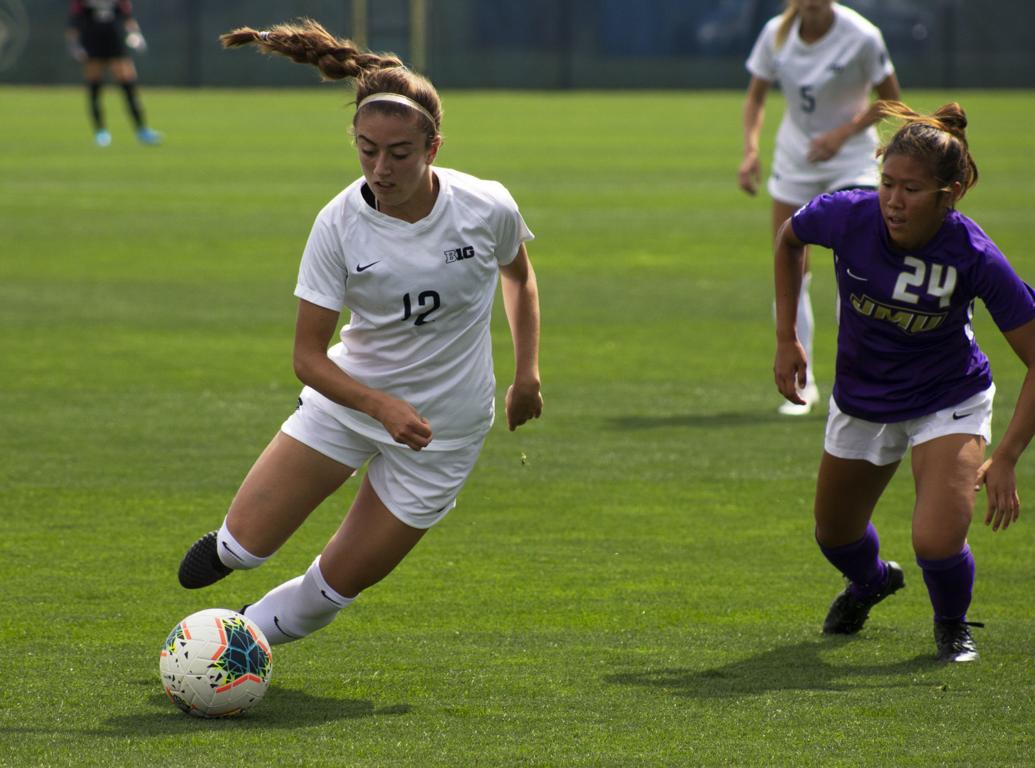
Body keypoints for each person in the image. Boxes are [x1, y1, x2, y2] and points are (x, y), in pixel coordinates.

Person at [177, 20, 543, 647]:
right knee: (240, 550)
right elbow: (306, 357)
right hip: (350, 404)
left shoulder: (487, 206)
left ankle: (233, 647)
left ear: (433, 147)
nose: (380, 167)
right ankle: (233, 565)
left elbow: (520, 278)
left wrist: (526, 374)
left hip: (444, 434)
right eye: (366, 148)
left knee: (329, 594)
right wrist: (380, 406)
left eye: (399, 153)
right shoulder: (338, 223)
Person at [774, 100, 1035, 662]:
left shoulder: (974, 254)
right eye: (887, 182)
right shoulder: (847, 214)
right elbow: (788, 239)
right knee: (834, 535)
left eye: (911, 190)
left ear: (951, 193)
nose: (893, 199)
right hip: (864, 398)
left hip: (948, 397)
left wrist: (1009, 454)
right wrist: (786, 337)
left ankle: (951, 627)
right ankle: (870, 581)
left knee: (936, 539)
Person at [740, 0, 900, 414]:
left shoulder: (862, 35)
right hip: (796, 159)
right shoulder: (776, 32)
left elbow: (891, 102)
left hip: (852, 161)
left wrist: (840, 135)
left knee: (859, 263)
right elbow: (756, 97)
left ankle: (859, 378)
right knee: (792, 261)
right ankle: (801, 382)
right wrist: (751, 150)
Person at [66, 0, 161, 147]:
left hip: (114, 41)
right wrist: (74, 45)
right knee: (95, 88)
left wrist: (135, 34)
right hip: (92, 42)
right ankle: (100, 132)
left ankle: (142, 130)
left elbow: (127, 17)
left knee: (128, 86)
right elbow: (74, 21)